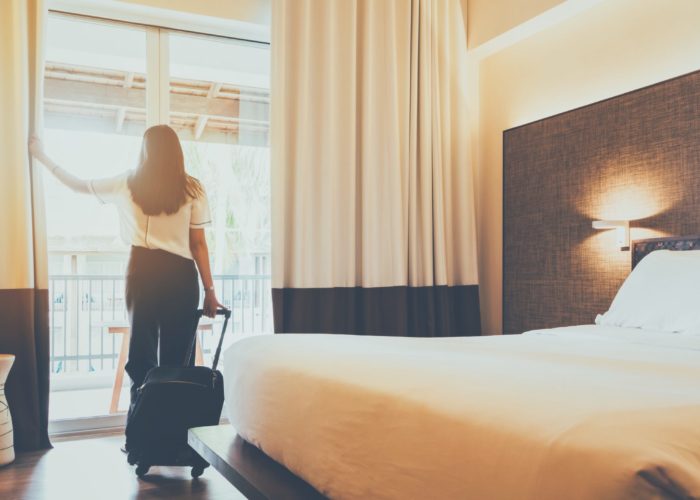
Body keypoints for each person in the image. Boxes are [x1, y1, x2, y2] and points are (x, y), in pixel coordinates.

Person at [29, 124, 224, 421]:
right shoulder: (191, 188)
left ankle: (141, 432)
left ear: (144, 151)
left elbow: (77, 184)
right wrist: (210, 291)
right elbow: (198, 244)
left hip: (142, 271)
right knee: (177, 359)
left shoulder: (128, 184)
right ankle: (172, 434)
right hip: (180, 276)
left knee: (141, 355)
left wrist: (41, 156)